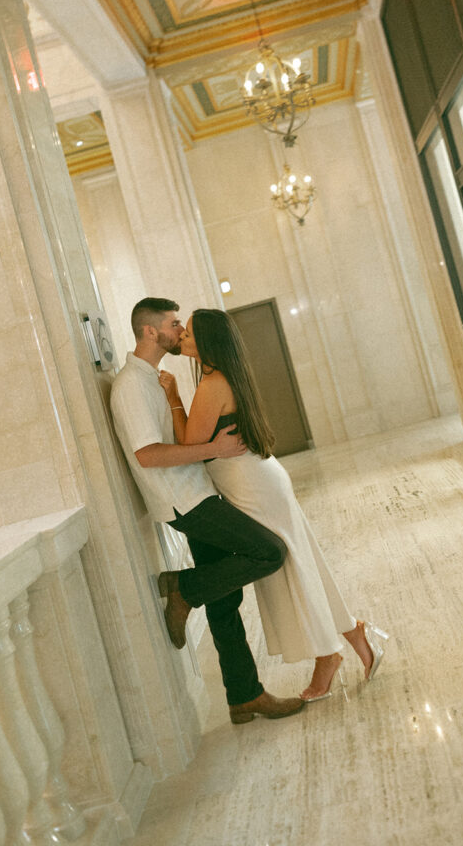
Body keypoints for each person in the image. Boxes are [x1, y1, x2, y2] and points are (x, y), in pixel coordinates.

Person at [159, 308, 389, 702]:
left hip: (253, 486)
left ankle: (328, 655)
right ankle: (350, 634)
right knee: (302, 561)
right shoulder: (223, 376)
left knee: (292, 566)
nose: (183, 338)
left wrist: (173, 397)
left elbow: (190, 448)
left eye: (191, 333)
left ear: (210, 342)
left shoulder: (212, 384)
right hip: (259, 480)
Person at [110, 297, 305, 725]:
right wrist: (213, 449)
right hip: (184, 500)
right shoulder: (130, 385)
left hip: (198, 490)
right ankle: (183, 588)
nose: (180, 330)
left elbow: (174, 438)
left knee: (225, 599)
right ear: (149, 331)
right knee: (268, 553)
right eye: (174, 323)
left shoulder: (152, 379)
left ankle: (243, 697)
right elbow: (147, 455)